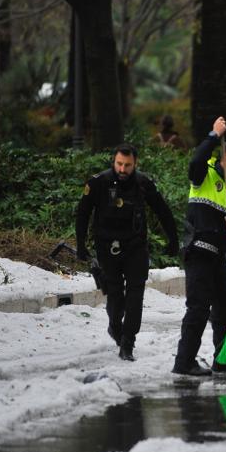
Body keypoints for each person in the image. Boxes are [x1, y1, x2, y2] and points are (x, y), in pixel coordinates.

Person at [76, 143, 179, 361]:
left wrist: (173, 238)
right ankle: (115, 326)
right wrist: (81, 244)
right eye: (119, 164)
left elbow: (162, 209)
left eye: (128, 165)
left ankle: (128, 343)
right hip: (107, 247)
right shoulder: (98, 183)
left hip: (135, 246)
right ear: (113, 161)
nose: (123, 169)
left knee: (135, 296)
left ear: (135, 164)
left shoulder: (143, 183)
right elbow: (83, 213)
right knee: (115, 296)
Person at [173, 116, 226, 376]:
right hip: (198, 250)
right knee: (198, 308)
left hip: (218, 255)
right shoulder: (204, 175)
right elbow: (195, 161)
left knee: (225, 307)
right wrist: (213, 134)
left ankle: (224, 359)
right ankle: (183, 362)